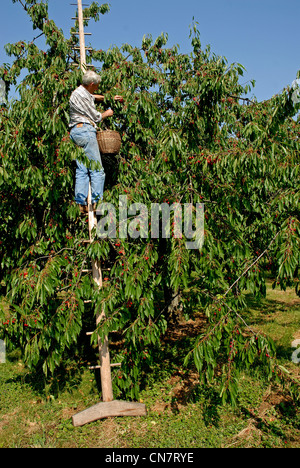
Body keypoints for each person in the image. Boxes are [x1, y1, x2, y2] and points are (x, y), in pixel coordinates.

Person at [69, 70, 123, 213]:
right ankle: (96, 201)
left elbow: (94, 96)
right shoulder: (85, 97)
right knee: (97, 170)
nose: (97, 88)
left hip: (76, 132)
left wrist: (110, 98)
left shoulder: (79, 92)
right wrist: (108, 113)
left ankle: (81, 203)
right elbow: (96, 117)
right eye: (97, 85)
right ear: (91, 83)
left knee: (82, 169)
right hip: (86, 131)